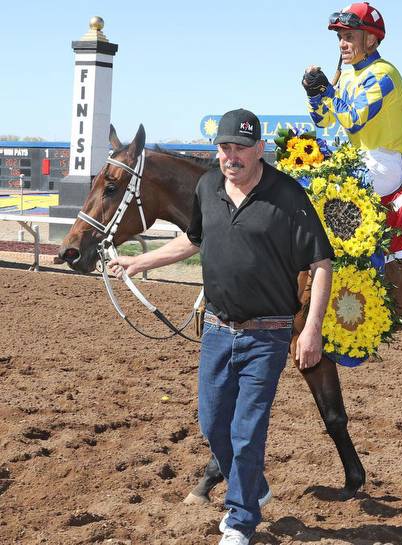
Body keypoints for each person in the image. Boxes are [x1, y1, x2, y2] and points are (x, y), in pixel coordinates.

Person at [108, 108, 334, 545]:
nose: (232, 157)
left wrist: (312, 329)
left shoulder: (288, 196)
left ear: (260, 150)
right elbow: (193, 239)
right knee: (212, 424)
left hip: (267, 333)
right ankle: (252, 486)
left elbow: (320, 264)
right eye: (225, 148)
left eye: (241, 149)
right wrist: (140, 261)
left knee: (247, 430)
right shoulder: (208, 186)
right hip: (215, 329)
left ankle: (240, 521)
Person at [303, 2, 402, 197]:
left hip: (383, 165)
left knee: (324, 193)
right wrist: (314, 94)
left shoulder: (383, 73)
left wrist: (326, 91)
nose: (342, 44)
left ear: (370, 40)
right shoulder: (347, 76)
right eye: (340, 37)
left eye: (349, 37)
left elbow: (353, 121)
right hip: (356, 160)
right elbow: (323, 121)